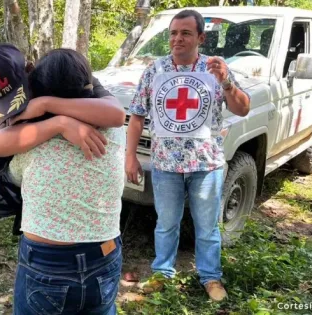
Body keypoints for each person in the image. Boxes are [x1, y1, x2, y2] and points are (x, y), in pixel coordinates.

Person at [0, 45, 126, 314]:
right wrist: (61, 122)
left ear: (34, 82)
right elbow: (117, 114)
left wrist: (46, 109)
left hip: (46, 262)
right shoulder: (112, 130)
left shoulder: (30, 138)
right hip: (104, 253)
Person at [125, 9, 250, 302]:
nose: (177, 39)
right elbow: (137, 117)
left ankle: (210, 278)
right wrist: (130, 156)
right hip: (165, 163)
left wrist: (227, 83)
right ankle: (162, 273)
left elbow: (242, 108)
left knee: (206, 227)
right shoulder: (155, 71)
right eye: (173, 33)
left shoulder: (216, 69)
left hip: (206, 165)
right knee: (166, 222)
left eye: (185, 33)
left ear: (201, 38)